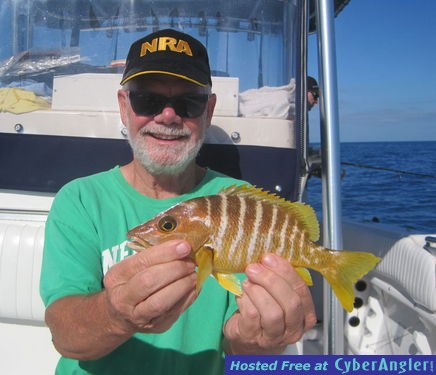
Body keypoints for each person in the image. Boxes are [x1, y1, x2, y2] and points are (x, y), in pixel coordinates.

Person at [40, 29, 316, 375]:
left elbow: (241, 347)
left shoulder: (241, 204)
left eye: (188, 103)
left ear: (208, 111)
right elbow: (65, 336)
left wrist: (254, 344)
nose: (168, 116)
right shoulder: (79, 201)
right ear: (124, 107)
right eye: (147, 101)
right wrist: (116, 314)